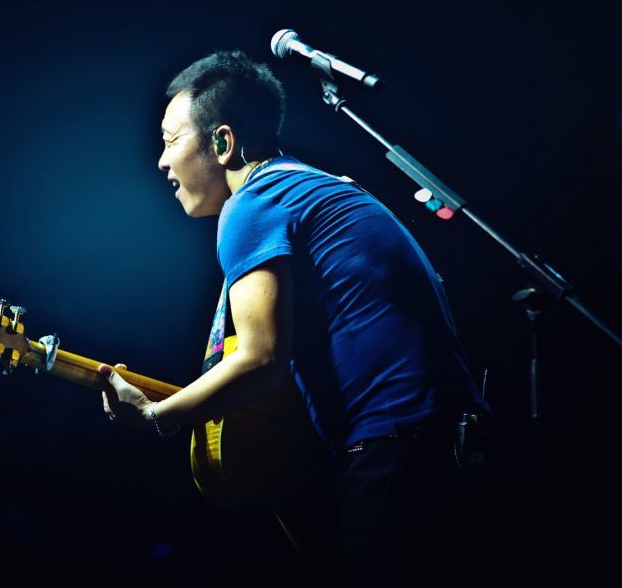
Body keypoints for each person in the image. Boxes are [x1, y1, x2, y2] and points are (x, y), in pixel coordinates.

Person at [98, 49, 491, 583]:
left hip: (398, 453)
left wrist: (155, 415)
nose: (162, 162)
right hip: (457, 447)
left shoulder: (253, 203)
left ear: (223, 143)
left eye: (171, 140)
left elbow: (261, 359)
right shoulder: (320, 188)